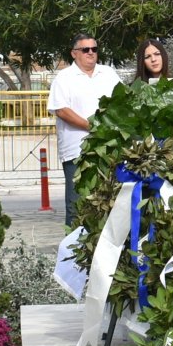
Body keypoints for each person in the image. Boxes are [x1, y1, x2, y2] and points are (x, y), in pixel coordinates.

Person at [47, 33, 119, 229]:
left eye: (94, 49)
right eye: (85, 49)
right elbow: (61, 110)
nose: (91, 53)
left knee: (108, 204)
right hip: (77, 153)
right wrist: (92, 126)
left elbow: (122, 102)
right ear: (74, 53)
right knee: (77, 206)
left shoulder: (108, 74)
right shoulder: (64, 78)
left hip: (107, 151)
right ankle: (73, 247)